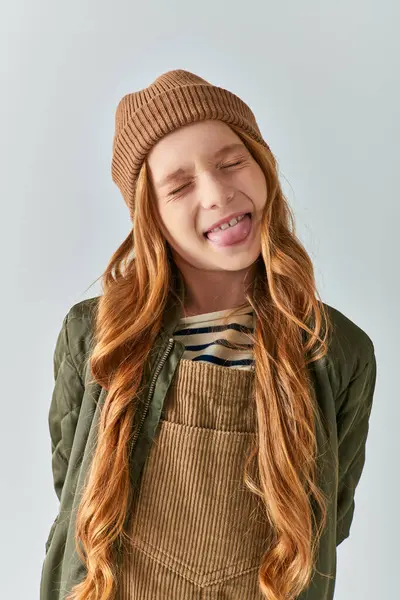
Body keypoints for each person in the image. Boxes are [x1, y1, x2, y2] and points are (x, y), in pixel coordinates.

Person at [40, 69, 377, 600]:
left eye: (231, 162)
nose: (218, 192)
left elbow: (331, 512)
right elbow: (72, 481)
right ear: (151, 215)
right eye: (179, 186)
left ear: (262, 167)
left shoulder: (335, 351)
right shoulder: (96, 336)